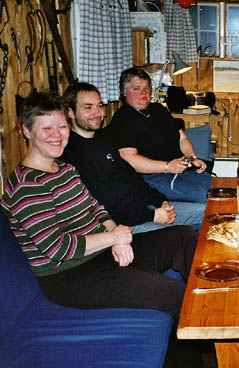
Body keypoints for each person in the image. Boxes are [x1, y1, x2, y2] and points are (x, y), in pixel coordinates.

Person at [1, 92, 198, 318]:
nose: (57, 135)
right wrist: (114, 238)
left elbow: (97, 209)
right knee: (179, 296)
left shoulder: (65, 169)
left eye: (62, 127)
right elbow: (58, 248)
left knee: (183, 237)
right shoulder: (27, 186)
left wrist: (116, 235)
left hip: (102, 254)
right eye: (46, 128)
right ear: (26, 131)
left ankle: (221, 301)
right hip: (71, 278)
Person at [61, 82, 205, 234]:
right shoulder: (71, 153)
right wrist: (152, 215)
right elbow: (105, 204)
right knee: (181, 236)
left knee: (207, 212)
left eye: (100, 106)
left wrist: (161, 202)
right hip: (122, 224)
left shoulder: (104, 139)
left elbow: (133, 178)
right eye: (88, 107)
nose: (97, 113)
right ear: (70, 112)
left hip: (145, 208)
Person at [106, 67, 212, 203]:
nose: (143, 93)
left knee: (217, 186)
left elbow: (182, 138)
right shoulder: (123, 119)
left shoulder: (158, 109)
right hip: (150, 177)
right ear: (124, 92)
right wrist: (167, 167)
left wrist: (192, 158)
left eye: (147, 88)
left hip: (179, 169)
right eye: (137, 88)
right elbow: (129, 159)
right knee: (202, 194)